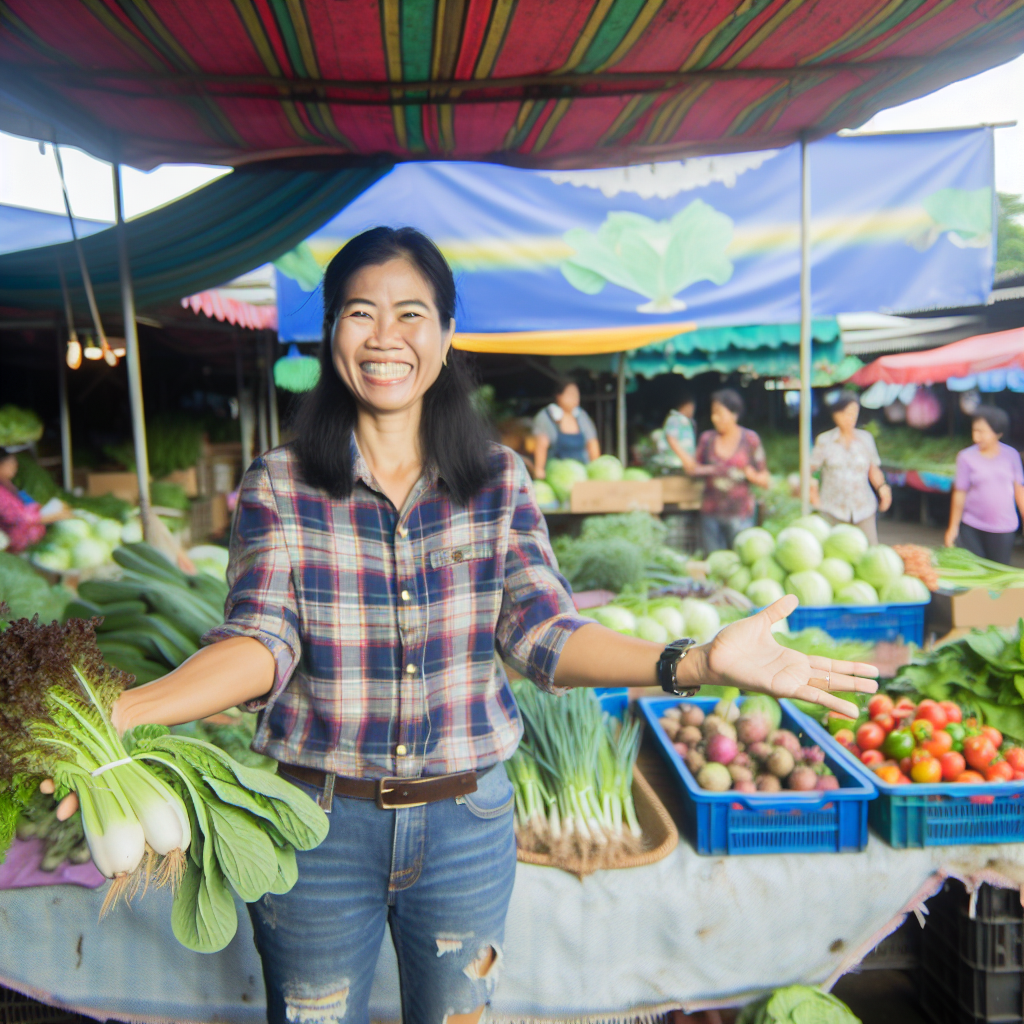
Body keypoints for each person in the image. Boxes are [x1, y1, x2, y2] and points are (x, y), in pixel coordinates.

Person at [49, 228, 876, 1024]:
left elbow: (545, 636)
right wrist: (120, 713)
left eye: (411, 312)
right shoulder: (280, 483)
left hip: (466, 827)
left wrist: (696, 661)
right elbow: (261, 642)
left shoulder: (497, 481)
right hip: (314, 824)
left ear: (446, 335)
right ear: (332, 332)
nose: (385, 335)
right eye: (360, 311)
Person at [685, 389, 771, 553]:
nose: (714, 418)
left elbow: (765, 478)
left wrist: (750, 474)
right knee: (714, 562)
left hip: (741, 515)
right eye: (713, 413)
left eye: (720, 413)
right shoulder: (707, 439)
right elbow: (693, 468)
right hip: (710, 514)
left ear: (734, 414)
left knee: (741, 559)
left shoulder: (750, 439)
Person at [809, 391, 891, 544]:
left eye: (854, 412)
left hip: (863, 509)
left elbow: (873, 469)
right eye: (846, 413)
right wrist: (813, 492)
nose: (850, 417)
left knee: (870, 551)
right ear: (836, 414)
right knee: (836, 552)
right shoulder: (825, 441)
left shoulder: (866, 439)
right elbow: (810, 470)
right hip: (832, 510)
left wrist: (882, 487)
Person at [945, 405, 1024, 564]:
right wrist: (953, 527)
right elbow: (960, 493)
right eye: (975, 431)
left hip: (1004, 528)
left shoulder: (1012, 456)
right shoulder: (965, 457)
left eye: (982, 431)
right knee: (974, 572)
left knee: (996, 575)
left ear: (998, 432)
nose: (976, 437)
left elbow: (1019, 490)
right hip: (971, 527)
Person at [0, 447, 70, 552]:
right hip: (18, 547)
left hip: (31, 542)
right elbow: (22, 518)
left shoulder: (7, 484)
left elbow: (22, 505)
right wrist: (56, 516)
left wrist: (40, 507)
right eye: (10, 464)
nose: (15, 466)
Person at [531, 378, 600, 478]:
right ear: (559, 396)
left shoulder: (582, 417)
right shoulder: (546, 417)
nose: (575, 398)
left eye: (577, 395)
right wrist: (539, 469)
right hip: (556, 474)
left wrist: (596, 469)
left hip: (582, 473)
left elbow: (592, 443)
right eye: (571, 394)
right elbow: (541, 445)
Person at [661, 391, 697, 469]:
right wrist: (686, 459)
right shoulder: (675, 419)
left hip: (684, 464)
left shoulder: (687, 421)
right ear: (687, 405)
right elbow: (671, 439)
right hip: (674, 465)